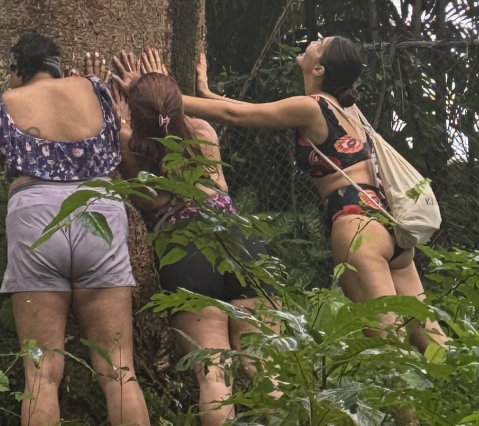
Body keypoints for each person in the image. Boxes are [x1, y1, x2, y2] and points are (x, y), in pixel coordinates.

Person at [180, 36, 441, 350]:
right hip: (388, 227)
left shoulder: (312, 107)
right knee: (432, 339)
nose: (314, 41)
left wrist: (163, 98)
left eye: (321, 43)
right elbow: (256, 110)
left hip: (356, 226)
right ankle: (467, 391)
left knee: (389, 346)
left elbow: (237, 117)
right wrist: (207, 94)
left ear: (319, 68)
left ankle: (407, 400)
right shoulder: (349, 110)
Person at [0, 32, 151, 426]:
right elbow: (113, 139)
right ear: (59, 66)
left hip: (35, 211)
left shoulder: (6, 102)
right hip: (99, 209)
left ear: (18, 70)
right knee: (119, 369)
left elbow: (2, 152)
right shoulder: (92, 88)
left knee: (41, 373)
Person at [115, 63, 272, 426]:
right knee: (266, 367)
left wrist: (124, 105)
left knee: (213, 374)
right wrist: (159, 94)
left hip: (187, 251)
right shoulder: (203, 130)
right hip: (238, 240)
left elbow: (141, 134)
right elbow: (170, 120)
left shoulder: (128, 149)